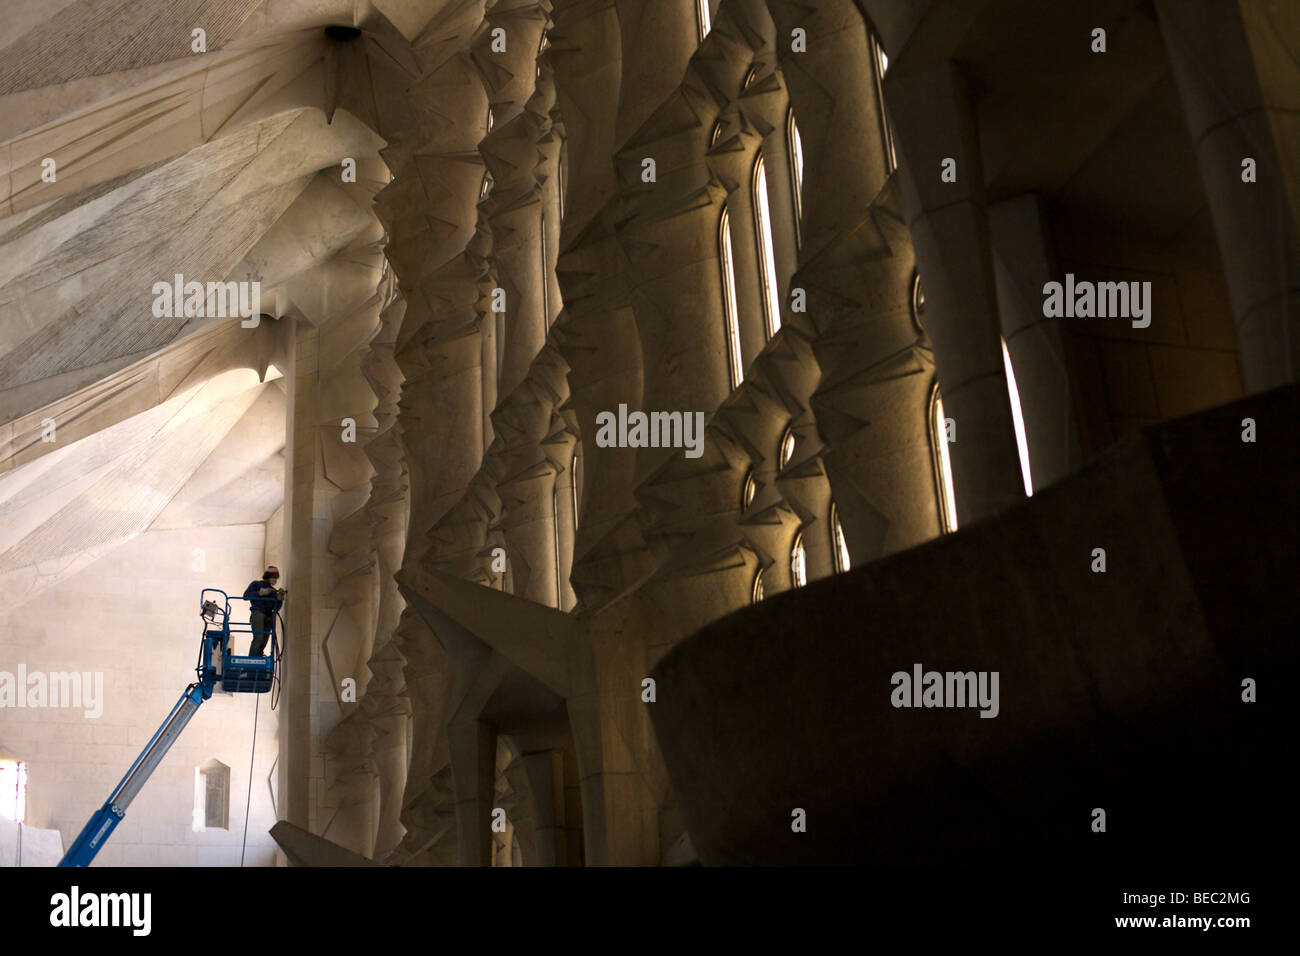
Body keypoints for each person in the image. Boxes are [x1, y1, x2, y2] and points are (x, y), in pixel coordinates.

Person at [242, 566, 285, 656]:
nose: (275, 580)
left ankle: (258, 657)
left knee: (264, 641)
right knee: (258, 638)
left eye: (276, 578)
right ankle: (252, 660)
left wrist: (280, 599)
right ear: (267, 576)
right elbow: (245, 596)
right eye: (273, 577)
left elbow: (276, 608)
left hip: (268, 616)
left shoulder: (273, 591)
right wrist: (259, 593)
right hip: (258, 613)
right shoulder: (256, 584)